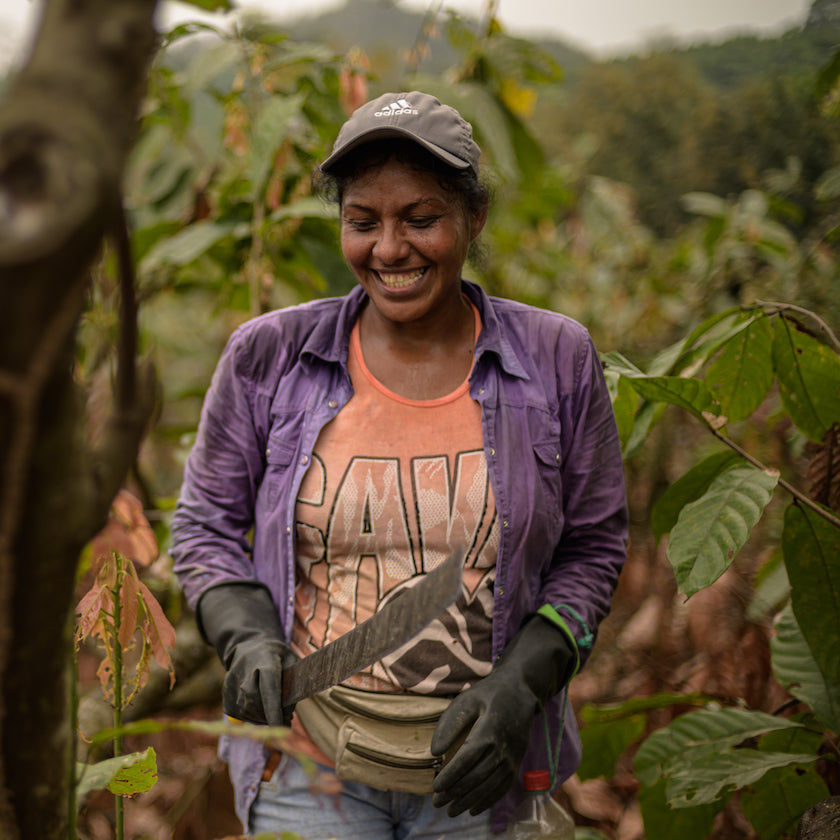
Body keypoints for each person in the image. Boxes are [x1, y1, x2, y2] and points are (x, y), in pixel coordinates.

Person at [170, 90, 628, 838]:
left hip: (483, 774)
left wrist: (521, 686)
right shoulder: (270, 356)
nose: (389, 248)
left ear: (473, 218)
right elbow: (204, 526)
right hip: (308, 769)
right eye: (363, 222)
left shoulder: (553, 357)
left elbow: (595, 544)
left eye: (421, 218)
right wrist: (245, 632)